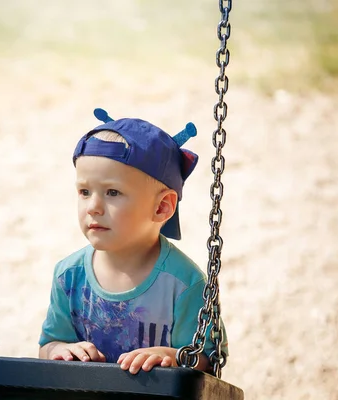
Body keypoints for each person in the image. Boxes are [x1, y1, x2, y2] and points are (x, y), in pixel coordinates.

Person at [38, 108, 228, 375]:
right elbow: (49, 344)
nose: (93, 206)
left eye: (112, 192)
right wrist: (57, 350)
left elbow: (208, 361)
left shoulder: (185, 283)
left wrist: (171, 357)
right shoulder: (68, 276)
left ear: (162, 207)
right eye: (84, 192)